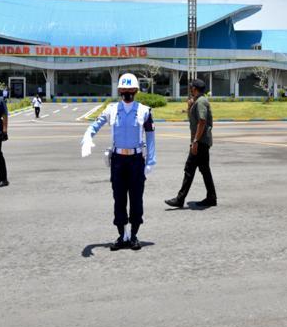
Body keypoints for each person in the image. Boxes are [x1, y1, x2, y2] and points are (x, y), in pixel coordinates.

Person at [83, 73, 157, 250]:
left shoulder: (144, 111)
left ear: (136, 91)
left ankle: (133, 235)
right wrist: (87, 136)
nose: (127, 93)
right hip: (118, 161)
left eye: (130, 90)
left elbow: (151, 137)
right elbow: (96, 124)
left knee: (136, 198)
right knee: (119, 198)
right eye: (123, 90)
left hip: (136, 160)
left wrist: (150, 162)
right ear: (119, 91)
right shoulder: (112, 109)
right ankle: (121, 235)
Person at [165, 78, 217, 208]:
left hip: (200, 142)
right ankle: (211, 197)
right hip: (200, 141)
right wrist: (189, 107)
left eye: (191, 86)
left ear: (194, 88)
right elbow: (195, 120)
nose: (189, 88)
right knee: (204, 170)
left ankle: (180, 199)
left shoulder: (201, 102)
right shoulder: (196, 101)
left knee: (189, 169)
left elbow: (202, 121)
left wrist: (195, 141)